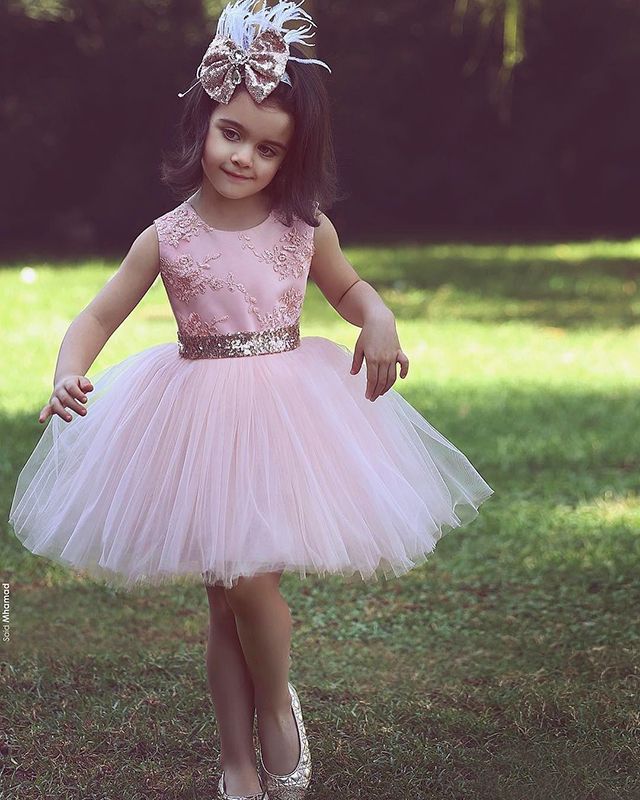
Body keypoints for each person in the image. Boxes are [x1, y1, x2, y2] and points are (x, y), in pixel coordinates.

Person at [7, 1, 495, 798]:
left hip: (283, 412)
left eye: (269, 149)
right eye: (232, 134)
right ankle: (236, 756)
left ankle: (275, 703)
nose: (245, 158)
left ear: (290, 160)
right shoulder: (167, 236)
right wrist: (68, 370)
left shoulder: (305, 229)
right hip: (196, 419)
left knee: (250, 584)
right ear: (204, 120)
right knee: (222, 594)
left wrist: (378, 317)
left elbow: (350, 289)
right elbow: (98, 314)